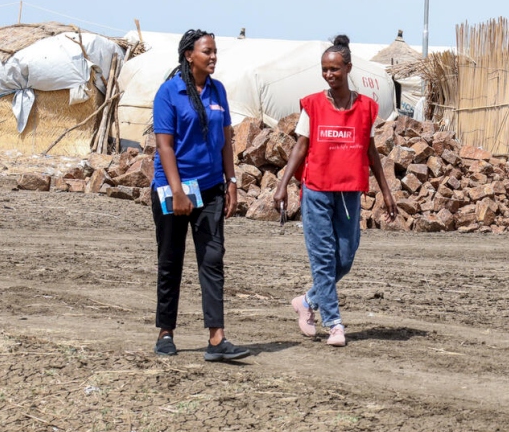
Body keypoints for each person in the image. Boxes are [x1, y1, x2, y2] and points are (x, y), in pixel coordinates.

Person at [274, 34, 398, 347]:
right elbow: (300, 148)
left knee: (345, 257)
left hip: (349, 192)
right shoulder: (313, 105)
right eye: (325, 69)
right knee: (323, 260)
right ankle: (335, 324)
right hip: (316, 190)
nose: (329, 74)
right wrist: (283, 184)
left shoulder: (366, 108)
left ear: (348, 68)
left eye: (335, 69)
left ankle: (306, 301)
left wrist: (386, 192)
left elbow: (371, 153)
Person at [150, 29, 250, 362]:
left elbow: (226, 139)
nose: (213, 57)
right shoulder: (169, 92)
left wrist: (231, 179)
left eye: (215, 51)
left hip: (209, 189)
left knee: (212, 259)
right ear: (189, 55)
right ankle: (166, 332)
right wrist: (178, 192)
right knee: (171, 260)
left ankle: (216, 338)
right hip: (173, 190)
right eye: (207, 51)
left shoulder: (218, 90)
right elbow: (164, 145)